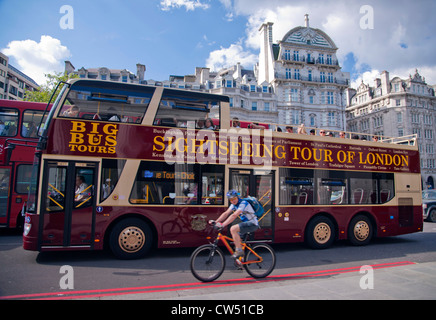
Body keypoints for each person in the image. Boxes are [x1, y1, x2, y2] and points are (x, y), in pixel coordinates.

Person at [209, 190, 259, 258]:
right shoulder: (233, 205)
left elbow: (234, 215)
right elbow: (226, 213)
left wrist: (223, 225)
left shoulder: (243, 203)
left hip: (252, 223)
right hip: (246, 224)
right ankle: (241, 262)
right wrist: (216, 221)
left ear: (237, 197)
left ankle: (239, 251)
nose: (233, 200)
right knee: (237, 242)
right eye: (231, 199)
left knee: (233, 229)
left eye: (234, 198)